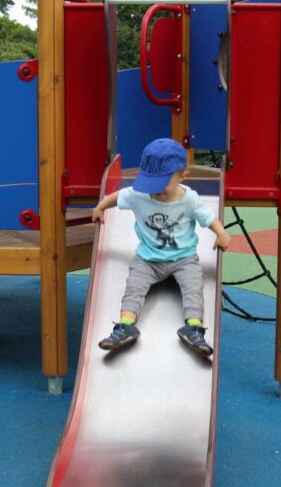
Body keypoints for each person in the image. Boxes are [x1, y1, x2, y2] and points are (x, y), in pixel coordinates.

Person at [92, 138, 231, 356]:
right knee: (133, 288)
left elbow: (208, 217)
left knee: (194, 287)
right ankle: (125, 326)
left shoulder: (190, 200)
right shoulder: (139, 194)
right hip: (147, 259)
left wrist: (221, 233)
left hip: (184, 258)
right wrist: (101, 207)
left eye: (161, 185)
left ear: (183, 176)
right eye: (150, 183)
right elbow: (118, 196)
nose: (154, 190)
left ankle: (193, 327)